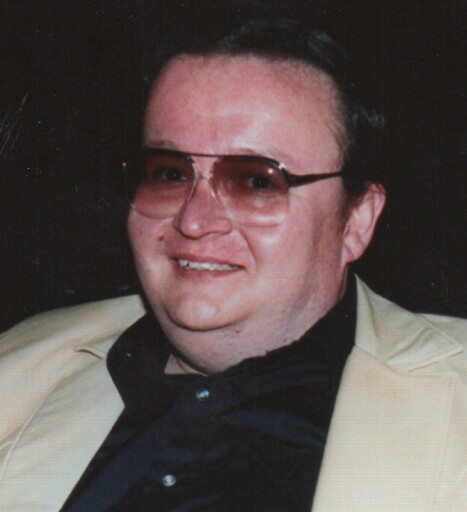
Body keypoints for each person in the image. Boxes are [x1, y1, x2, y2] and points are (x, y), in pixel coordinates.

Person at [0, 15, 466, 512]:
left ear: (355, 221)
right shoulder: (20, 367)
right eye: (169, 174)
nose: (194, 222)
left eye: (256, 181)